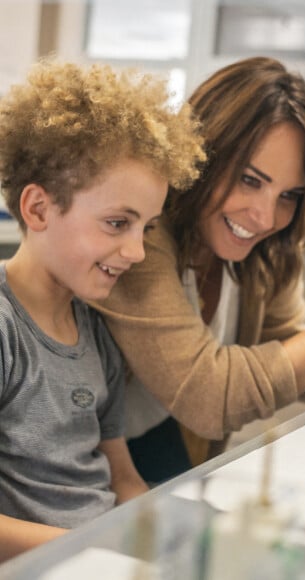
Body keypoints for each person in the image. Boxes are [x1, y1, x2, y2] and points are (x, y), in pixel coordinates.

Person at [92, 57, 305, 484]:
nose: (263, 216)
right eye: (249, 180)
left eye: (289, 195)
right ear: (200, 154)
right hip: (94, 470)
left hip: (174, 455)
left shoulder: (268, 251)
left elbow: (281, 346)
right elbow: (209, 396)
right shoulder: (141, 240)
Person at [0, 58, 204, 562]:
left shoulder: (94, 330)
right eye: (118, 224)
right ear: (38, 209)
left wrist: (160, 538)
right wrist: (95, 547)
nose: (136, 252)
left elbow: (121, 477)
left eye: (147, 228)